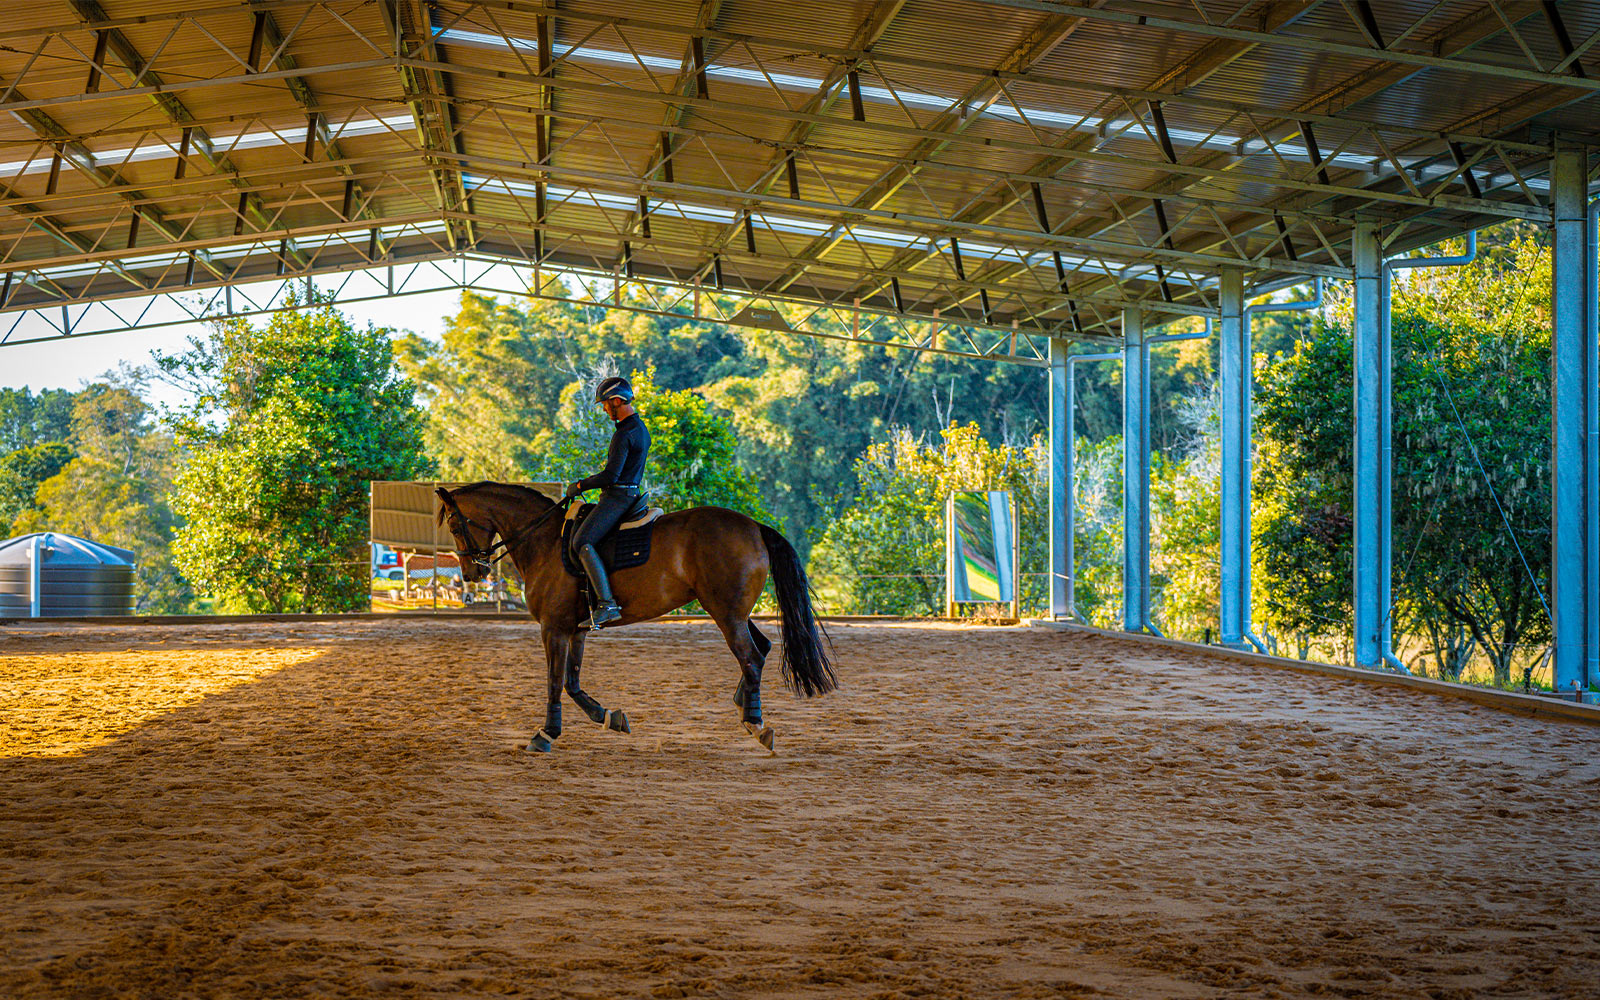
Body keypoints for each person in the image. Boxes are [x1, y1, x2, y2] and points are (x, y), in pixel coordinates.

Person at [564, 375, 651, 628]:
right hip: (630, 492)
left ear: (616, 401)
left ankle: (607, 603)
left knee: (582, 540)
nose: (604, 409)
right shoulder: (640, 429)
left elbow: (611, 475)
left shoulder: (624, 434)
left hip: (618, 496)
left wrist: (579, 485)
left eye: (604, 404)